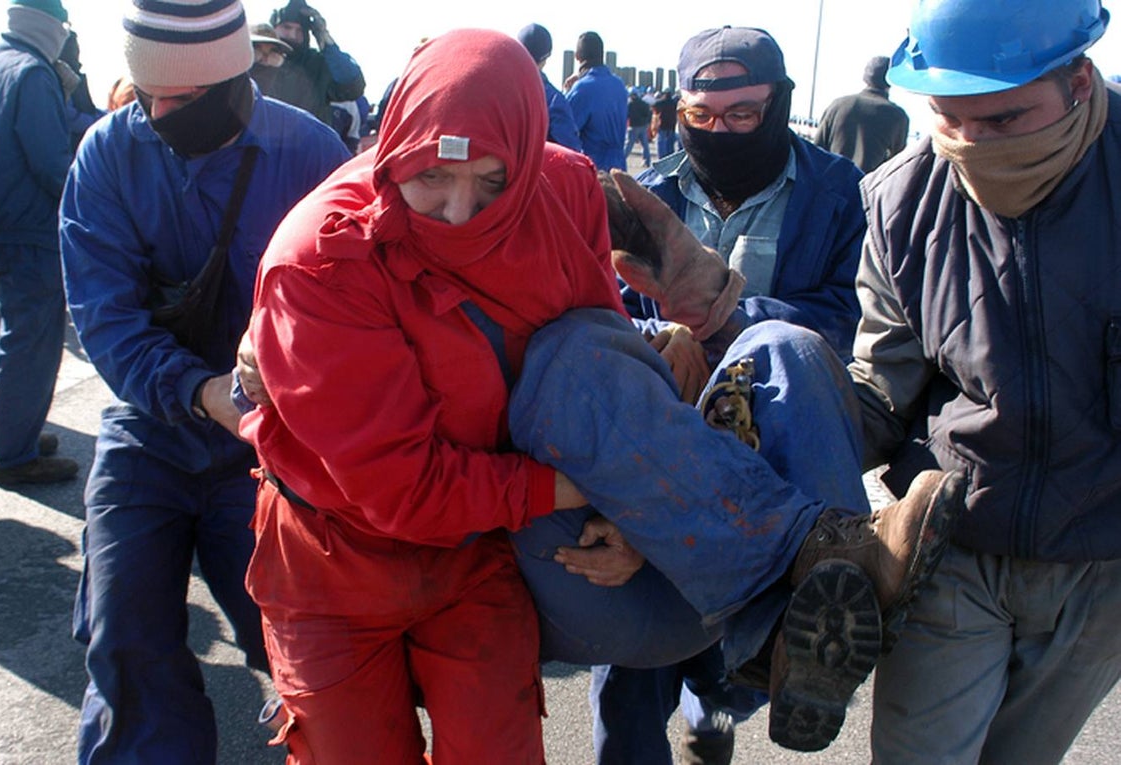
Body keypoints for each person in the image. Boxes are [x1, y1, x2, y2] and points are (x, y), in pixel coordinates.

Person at [235, 27, 963, 762]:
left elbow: (599, 363)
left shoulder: (562, 193)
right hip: (338, 562)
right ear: (391, 151)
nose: (460, 215)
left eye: (492, 184)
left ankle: (794, 611)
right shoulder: (323, 262)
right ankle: (796, 578)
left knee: (768, 349)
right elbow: (404, 488)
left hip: (482, 555)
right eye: (431, 181)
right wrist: (586, 491)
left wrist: (647, 449)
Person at [59, 0, 348, 761]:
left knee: (299, 638)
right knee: (124, 631)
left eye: (183, 98)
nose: (157, 112)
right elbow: (106, 318)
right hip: (147, 430)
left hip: (272, 441)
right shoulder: (105, 156)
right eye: (144, 90)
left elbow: (361, 307)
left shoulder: (313, 156)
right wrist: (198, 390)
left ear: (238, 76)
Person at [853, 1, 1121, 763]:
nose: (972, 144)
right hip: (953, 544)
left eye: (1003, 120)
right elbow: (880, 379)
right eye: (947, 118)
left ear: (1078, 81)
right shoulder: (901, 202)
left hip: (1103, 568)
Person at [592, 26, 868, 764]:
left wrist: (728, 315)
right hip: (663, 441)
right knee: (628, 680)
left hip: (775, 444)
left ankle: (725, 695)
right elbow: (601, 311)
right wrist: (660, 335)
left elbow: (845, 323)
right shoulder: (639, 195)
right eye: (703, 117)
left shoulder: (839, 195)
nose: (722, 132)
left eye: (743, 116)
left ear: (779, 105)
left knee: (742, 645)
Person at [0, 0, 78, 485]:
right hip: (29, 229)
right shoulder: (33, 73)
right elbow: (51, 161)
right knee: (30, 346)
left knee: (9, 338)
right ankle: (13, 457)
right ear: (51, 27)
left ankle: (18, 432)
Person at [266, 0, 365, 129]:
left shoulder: (317, 64)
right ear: (274, 28)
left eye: (300, 30)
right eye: (287, 27)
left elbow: (352, 87)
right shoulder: (256, 59)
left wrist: (328, 44)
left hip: (307, 143)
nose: (293, 35)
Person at [814, 55, 910, 173]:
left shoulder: (838, 105)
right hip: (868, 188)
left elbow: (816, 150)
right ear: (892, 79)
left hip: (828, 185)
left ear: (865, 77)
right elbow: (897, 167)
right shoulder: (897, 116)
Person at [565, 31, 628, 170]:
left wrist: (567, 92)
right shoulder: (619, 85)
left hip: (595, 166)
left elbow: (565, 129)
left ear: (577, 57)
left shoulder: (582, 88)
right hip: (619, 164)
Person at [518, 22, 582, 153]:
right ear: (547, 56)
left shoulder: (499, 91)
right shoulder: (553, 99)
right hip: (538, 171)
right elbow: (570, 151)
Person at [624, 87, 653, 166]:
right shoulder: (644, 104)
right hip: (643, 126)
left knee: (629, 145)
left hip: (633, 127)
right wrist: (647, 122)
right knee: (645, 145)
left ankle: (622, 160)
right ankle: (647, 161)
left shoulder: (629, 104)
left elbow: (626, 116)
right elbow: (649, 114)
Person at [650, 88, 680, 159]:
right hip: (672, 125)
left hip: (662, 125)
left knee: (661, 144)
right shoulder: (674, 103)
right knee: (670, 144)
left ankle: (661, 158)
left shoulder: (660, 102)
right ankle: (670, 158)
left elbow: (654, 107)